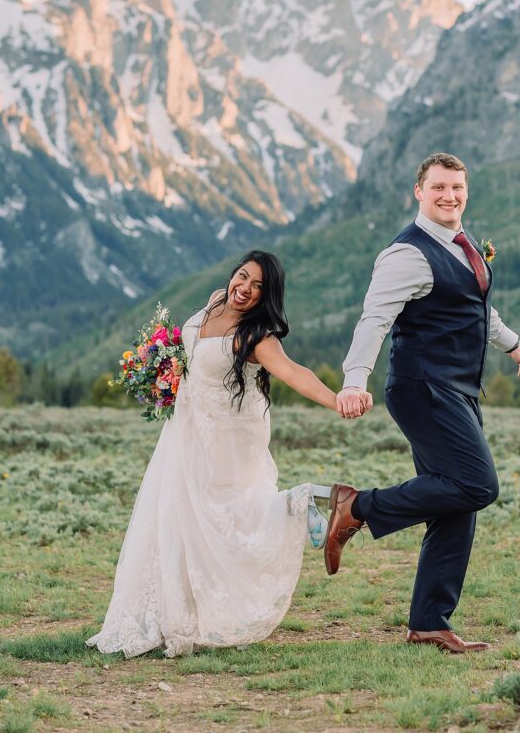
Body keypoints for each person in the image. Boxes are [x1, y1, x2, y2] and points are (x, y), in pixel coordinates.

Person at [87, 250, 368, 658]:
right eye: (243, 277)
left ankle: (300, 500)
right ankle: (176, 612)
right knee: (179, 513)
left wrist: (338, 399)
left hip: (227, 434)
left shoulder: (257, 338)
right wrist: (163, 374)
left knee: (228, 514)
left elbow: (294, 374)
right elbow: (191, 354)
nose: (245, 289)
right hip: (186, 426)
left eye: (257, 287)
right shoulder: (218, 298)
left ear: (266, 296)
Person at [325, 152, 520, 654]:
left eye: (457, 188)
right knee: (477, 484)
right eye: (439, 187)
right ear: (419, 192)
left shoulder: (464, 246)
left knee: (455, 499)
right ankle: (356, 507)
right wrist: (355, 379)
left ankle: (429, 622)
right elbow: (374, 319)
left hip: (458, 388)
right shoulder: (407, 254)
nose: (449, 196)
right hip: (423, 388)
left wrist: (514, 346)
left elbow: (475, 307)